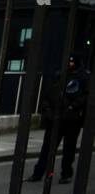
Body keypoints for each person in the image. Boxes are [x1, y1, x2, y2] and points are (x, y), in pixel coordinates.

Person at [29, 55, 89, 184]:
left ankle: (66, 173)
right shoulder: (60, 75)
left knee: (69, 148)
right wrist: (48, 110)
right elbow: (48, 94)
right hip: (56, 117)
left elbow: (86, 96)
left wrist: (74, 106)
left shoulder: (84, 77)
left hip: (71, 119)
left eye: (73, 62)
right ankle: (38, 173)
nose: (70, 64)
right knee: (47, 147)